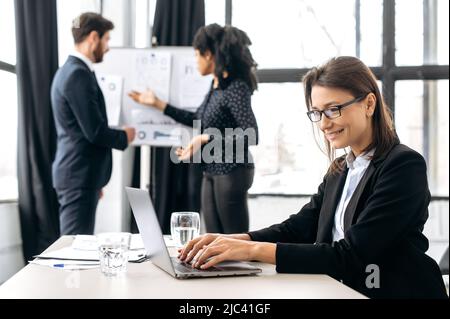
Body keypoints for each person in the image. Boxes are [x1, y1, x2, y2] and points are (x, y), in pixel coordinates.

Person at [177, 56, 448, 299]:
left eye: (333, 109)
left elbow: (352, 255)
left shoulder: (403, 165)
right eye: (317, 113)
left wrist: (251, 251)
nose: (324, 123)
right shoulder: (342, 168)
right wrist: (235, 239)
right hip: (342, 289)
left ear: (369, 103)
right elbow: (299, 228)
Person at [129, 24, 258, 234]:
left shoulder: (236, 87)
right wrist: (157, 103)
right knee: (213, 239)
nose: (195, 60)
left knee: (234, 242)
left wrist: (204, 139)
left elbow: (250, 134)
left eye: (197, 54)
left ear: (209, 55)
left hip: (232, 171)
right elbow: (198, 118)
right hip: (212, 170)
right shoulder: (216, 85)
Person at [51, 13, 136, 235]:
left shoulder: (70, 71)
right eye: (107, 40)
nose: (107, 47)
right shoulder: (77, 74)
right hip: (78, 176)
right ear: (94, 37)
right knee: (73, 248)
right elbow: (95, 131)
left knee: (77, 244)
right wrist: (125, 136)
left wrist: (95, 182)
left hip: (81, 177)